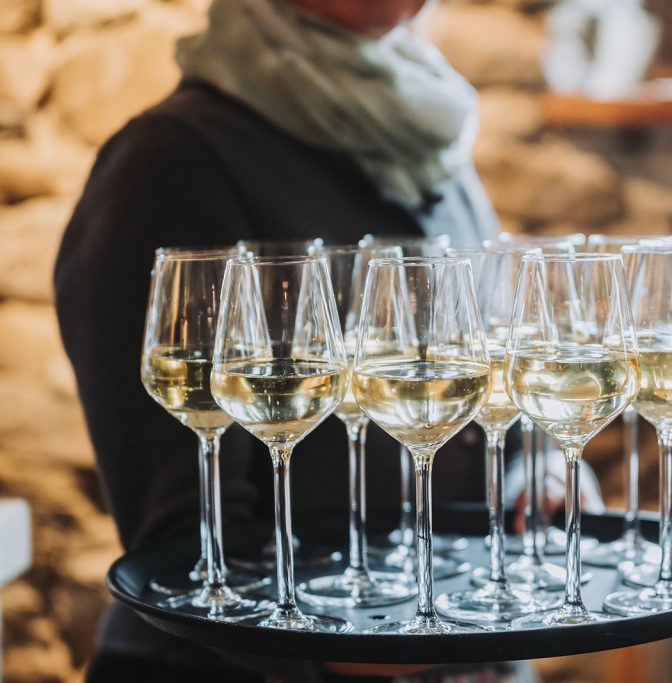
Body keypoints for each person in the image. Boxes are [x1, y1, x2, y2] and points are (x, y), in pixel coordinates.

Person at [53, 1, 526, 680]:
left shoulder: (421, 127)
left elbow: (483, 378)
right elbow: (183, 535)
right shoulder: (166, 162)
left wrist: (532, 469)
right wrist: (378, 642)